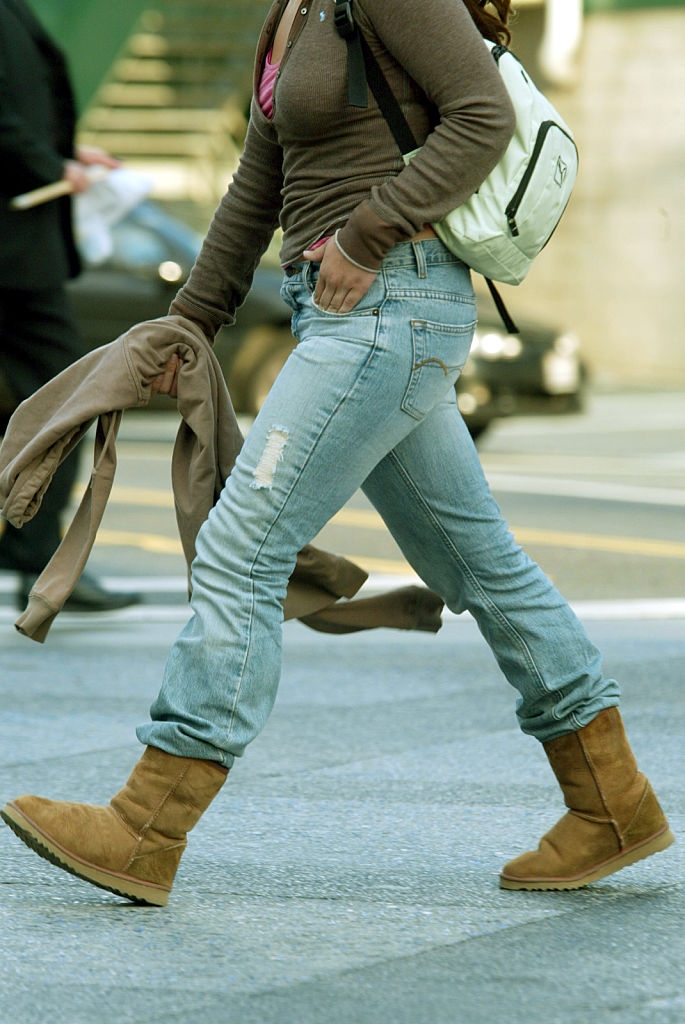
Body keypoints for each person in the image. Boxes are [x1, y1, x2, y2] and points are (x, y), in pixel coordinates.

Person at [0, 0, 673, 905]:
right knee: (481, 565)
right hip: (349, 312)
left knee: (241, 550)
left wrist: (367, 232)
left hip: (387, 304)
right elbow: (258, 179)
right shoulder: (293, 9)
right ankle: (611, 801)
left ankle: (146, 826)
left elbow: (481, 115)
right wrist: (189, 319)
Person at [0, 0, 140, 612]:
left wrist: (68, 156)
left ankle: (37, 556)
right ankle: (36, 557)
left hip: (21, 253)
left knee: (51, 401)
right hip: (14, 254)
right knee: (67, 396)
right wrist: (48, 163)